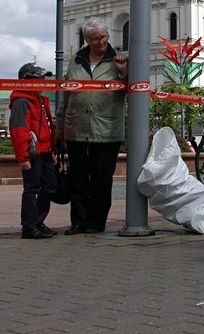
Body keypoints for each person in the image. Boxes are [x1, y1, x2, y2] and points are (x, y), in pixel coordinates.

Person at [56, 18, 128, 235]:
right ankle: (78, 222)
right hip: (76, 127)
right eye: (95, 38)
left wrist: (124, 73)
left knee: (101, 180)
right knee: (78, 178)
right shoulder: (76, 61)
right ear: (86, 39)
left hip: (105, 131)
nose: (101, 42)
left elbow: (133, 90)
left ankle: (96, 223)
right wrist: (60, 125)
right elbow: (66, 94)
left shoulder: (117, 60)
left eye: (104, 36)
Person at [9, 63, 58, 239]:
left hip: (44, 151)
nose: (43, 81)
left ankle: (37, 221)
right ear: (27, 81)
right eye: (39, 78)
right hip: (33, 152)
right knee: (32, 189)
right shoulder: (22, 101)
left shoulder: (41, 100)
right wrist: (23, 157)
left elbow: (47, 127)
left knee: (50, 187)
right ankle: (29, 227)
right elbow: (18, 130)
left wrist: (52, 150)